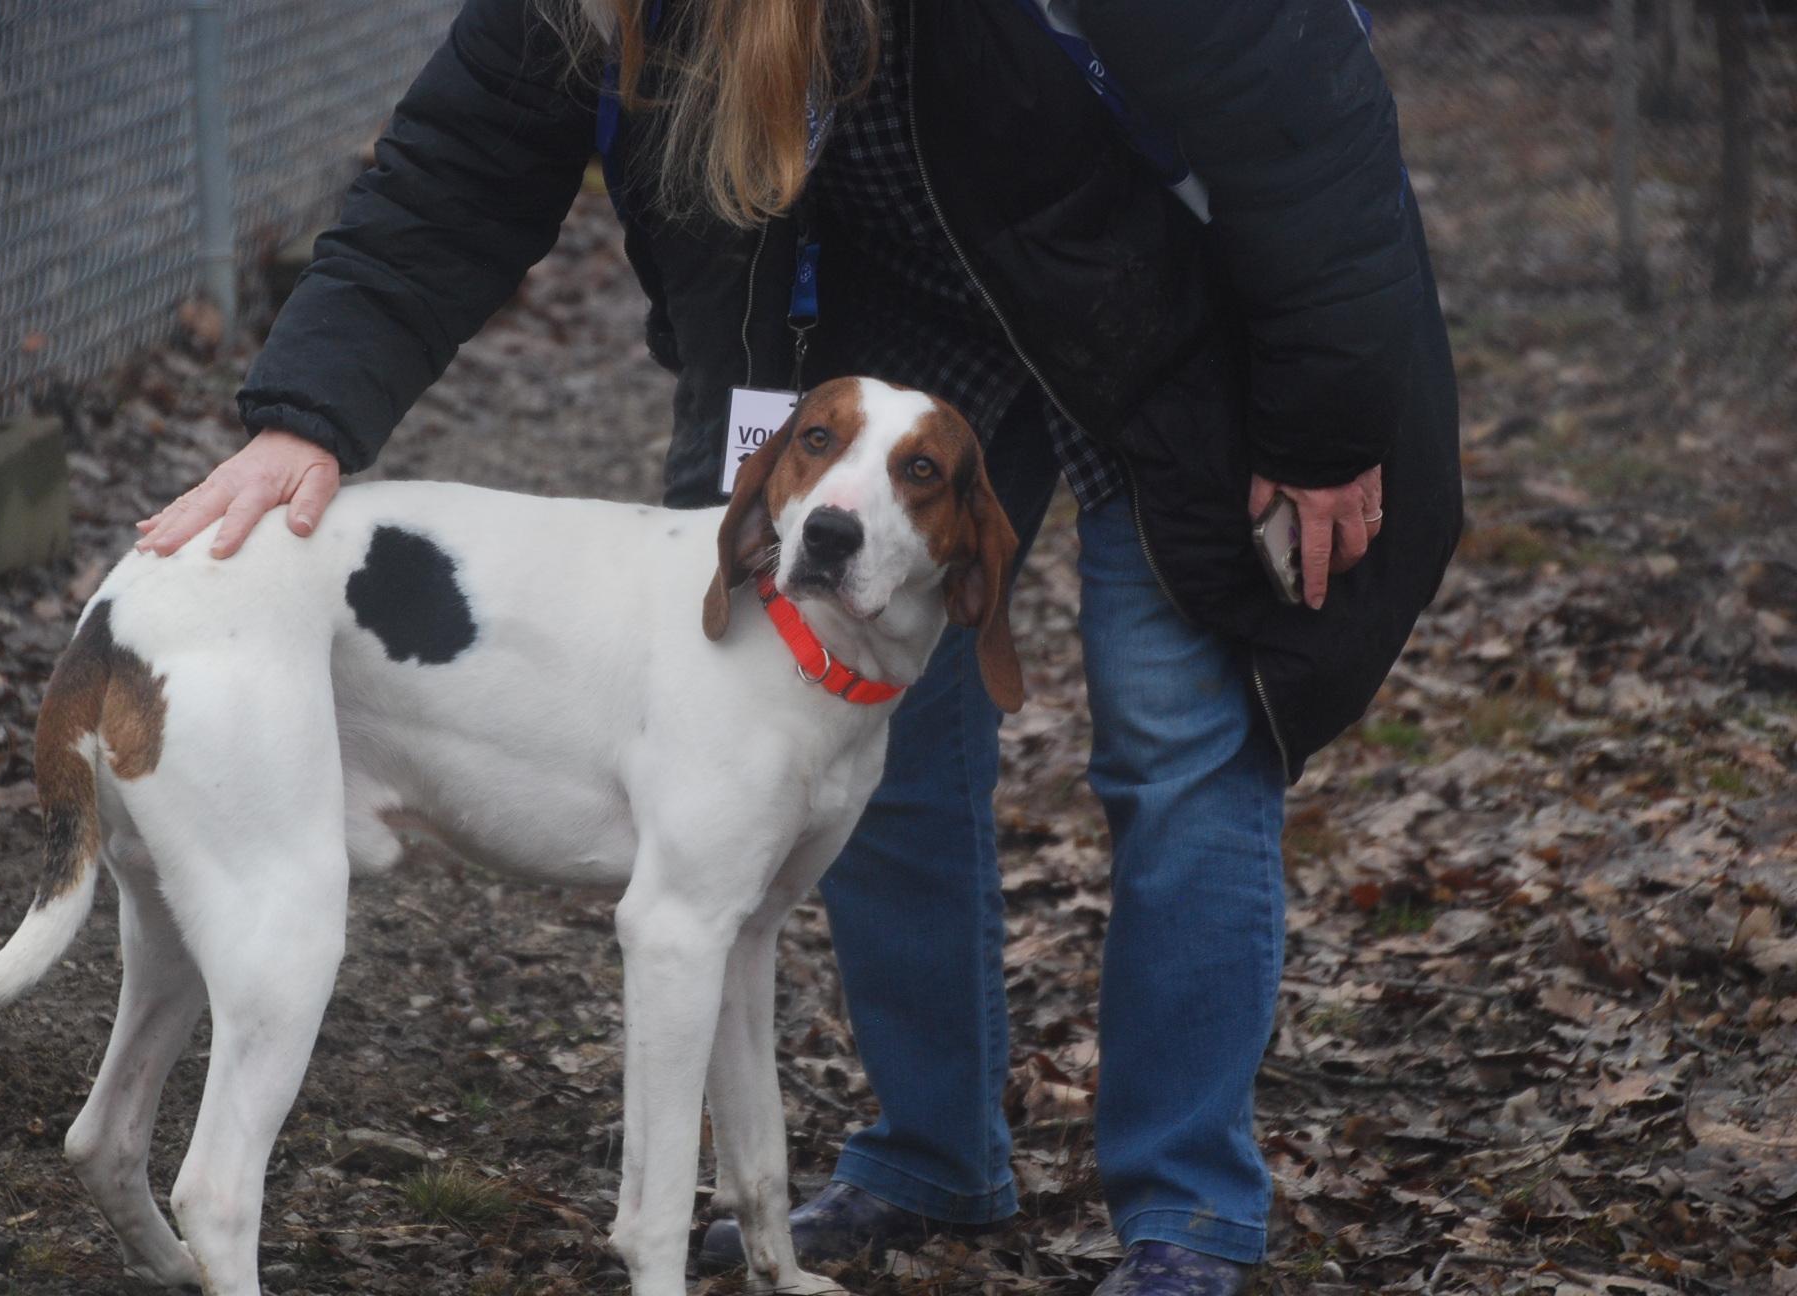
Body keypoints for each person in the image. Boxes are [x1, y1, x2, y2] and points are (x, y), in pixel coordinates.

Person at [137, 1, 1461, 1291]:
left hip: (1170, 307)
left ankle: (1186, 1216)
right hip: (893, 323)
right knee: (842, 729)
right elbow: (460, 166)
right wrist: (304, 415)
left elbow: (1295, 110)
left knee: (1177, 730)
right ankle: (932, 1159)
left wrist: (1328, 418)